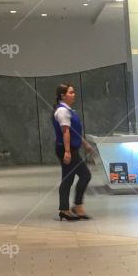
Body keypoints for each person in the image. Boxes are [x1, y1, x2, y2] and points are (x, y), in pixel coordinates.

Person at [52, 83, 93, 220]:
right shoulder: (62, 111)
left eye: (74, 92)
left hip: (69, 148)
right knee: (85, 175)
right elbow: (65, 132)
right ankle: (75, 206)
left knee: (68, 179)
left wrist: (84, 143)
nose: (73, 94)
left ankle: (66, 209)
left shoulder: (68, 110)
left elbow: (74, 131)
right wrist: (68, 151)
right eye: (70, 92)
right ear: (62, 96)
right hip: (66, 148)